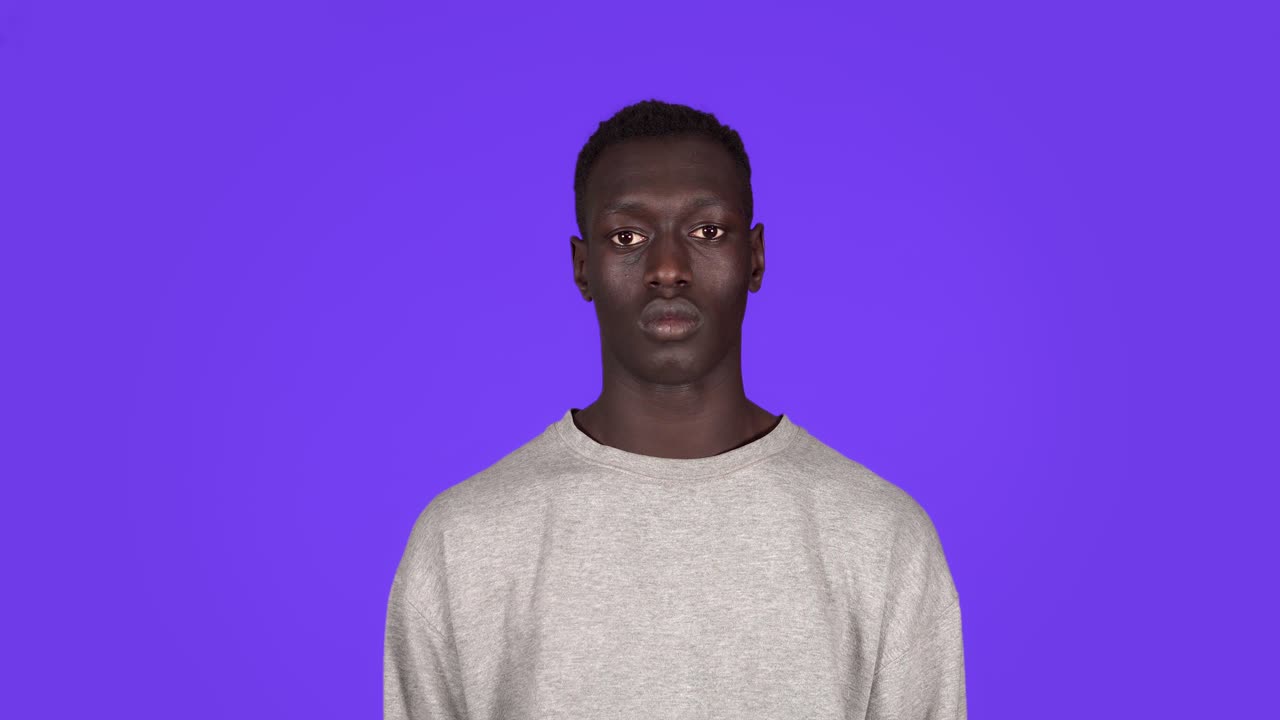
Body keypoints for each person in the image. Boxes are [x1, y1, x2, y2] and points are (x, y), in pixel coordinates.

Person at [384, 99, 966, 719]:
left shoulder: (882, 537)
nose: (667, 268)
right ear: (583, 267)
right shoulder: (462, 541)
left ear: (756, 257)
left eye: (707, 232)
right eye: (628, 237)